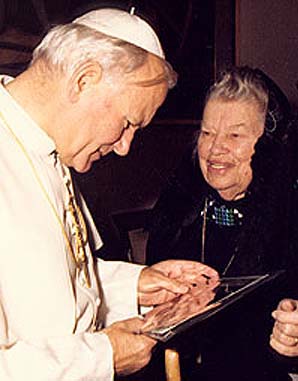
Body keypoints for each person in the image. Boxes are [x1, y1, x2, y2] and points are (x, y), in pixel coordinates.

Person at [0, 7, 220, 381]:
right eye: (127, 123)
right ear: (84, 80)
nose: (123, 148)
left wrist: (136, 285)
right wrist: (102, 357)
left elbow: (45, 288)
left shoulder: (51, 152)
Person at [145, 66, 295, 380]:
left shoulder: (292, 221)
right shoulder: (178, 215)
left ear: (269, 144)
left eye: (235, 135)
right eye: (208, 132)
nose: (215, 149)